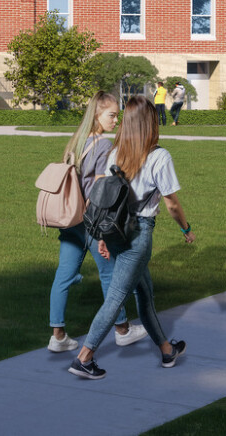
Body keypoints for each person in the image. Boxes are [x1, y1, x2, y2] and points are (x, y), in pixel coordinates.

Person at [71, 101, 194, 379]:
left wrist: (103, 237)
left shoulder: (116, 152)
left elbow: (107, 198)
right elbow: (172, 203)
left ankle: (166, 350)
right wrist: (186, 229)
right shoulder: (159, 156)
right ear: (151, 123)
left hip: (115, 231)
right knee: (116, 299)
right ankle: (84, 357)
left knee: (145, 294)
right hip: (137, 234)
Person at [48, 92, 141, 353]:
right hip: (91, 220)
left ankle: (58, 335)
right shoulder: (102, 144)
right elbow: (99, 191)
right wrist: (101, 232)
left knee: (63, 276)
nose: (116, 120)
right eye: (111, 115)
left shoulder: (76, 142)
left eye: (117, 115)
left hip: (69, 219)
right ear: (97, 115)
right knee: (109, 275)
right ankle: (122, 329)